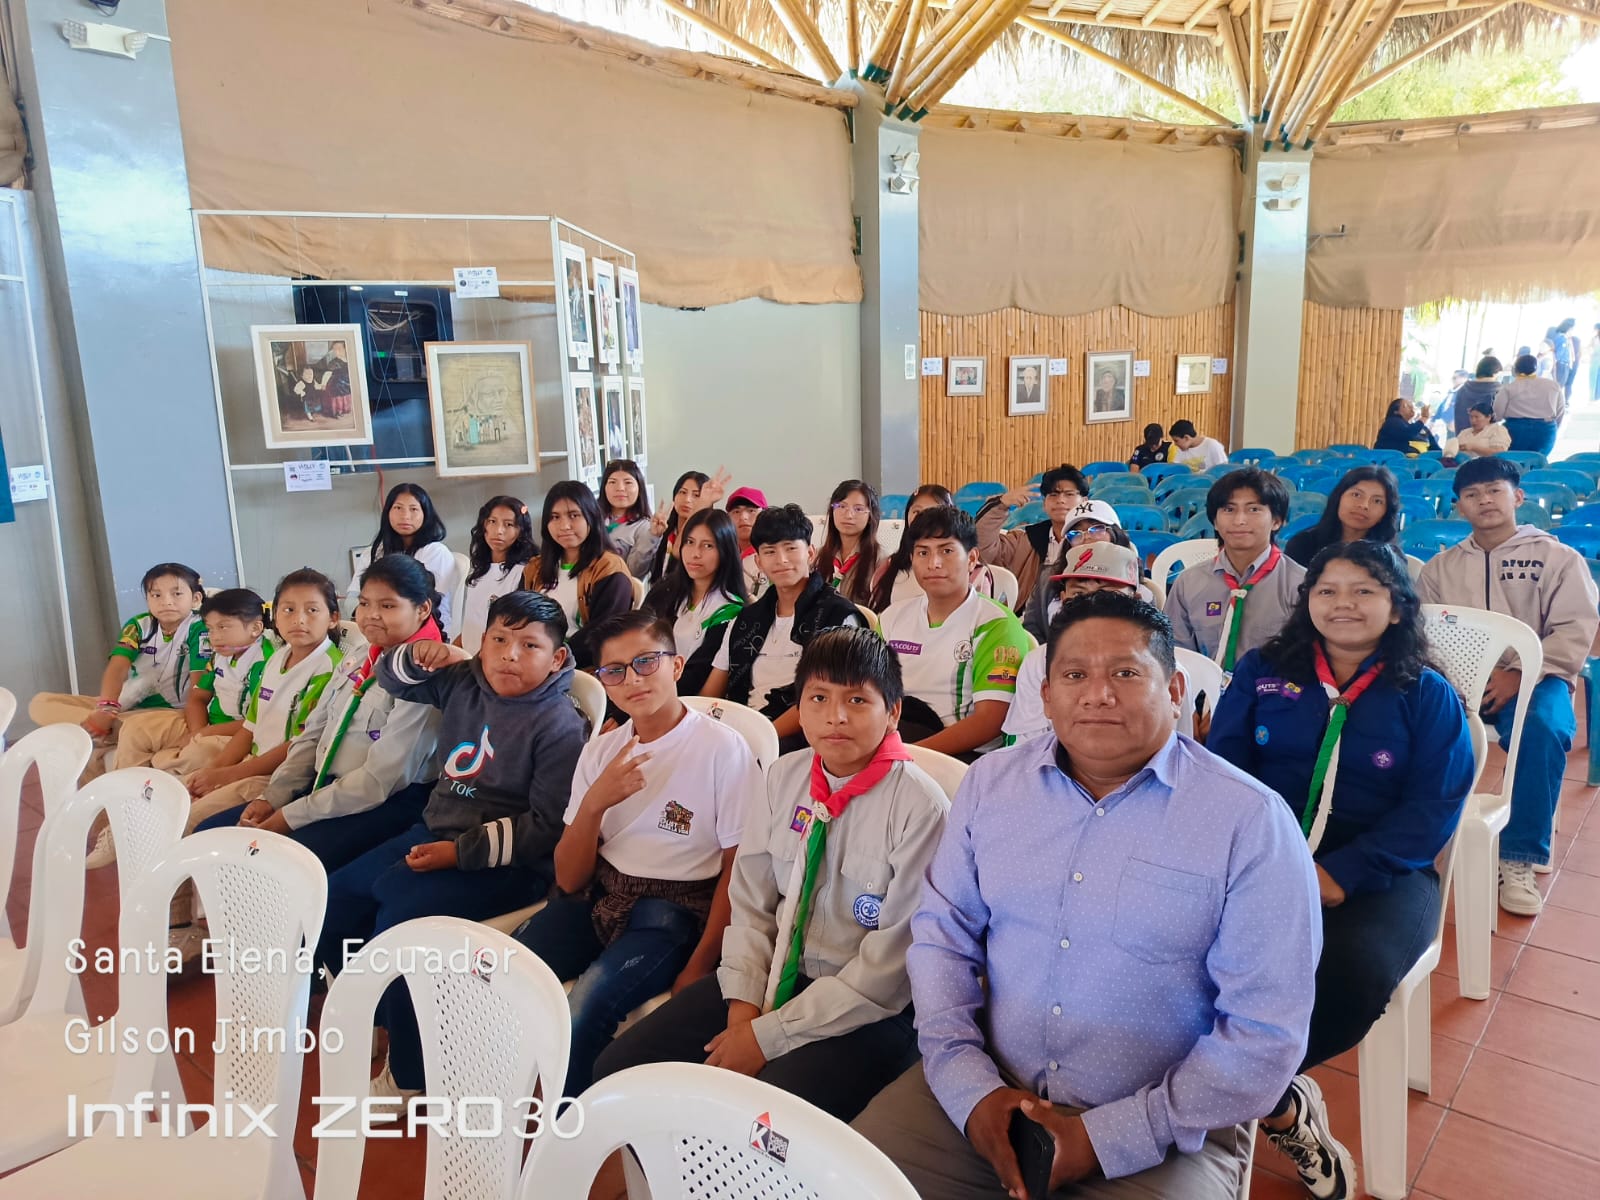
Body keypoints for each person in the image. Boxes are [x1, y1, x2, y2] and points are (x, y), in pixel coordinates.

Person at [852, 591, 1321, 1200]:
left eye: (1126, 673)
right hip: (989, 1086)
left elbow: (1264, 1030)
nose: (1098, 694)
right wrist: (970, 1086)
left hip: (1165, 1121)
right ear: (1046, 696)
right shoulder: (992, 785)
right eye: (1074, 676)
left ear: (1175, 690)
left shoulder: (1249, 821)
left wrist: (1108, 1138)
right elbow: (943, 938)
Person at [594, 628, 947, 1124]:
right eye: (818, 698)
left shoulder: (921, 809)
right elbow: (752, 903)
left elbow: (885, 974)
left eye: (857, 700)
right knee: (620, 1068)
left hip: (866, 1008)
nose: (836, 716)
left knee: (755, 1122)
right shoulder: (783, 778)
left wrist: (765, 1037)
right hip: (771, 974)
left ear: (892, 712)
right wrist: (744, 1005)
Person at [1210, 542, 1473, 1199]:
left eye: (1364, 591)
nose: (1343, 604)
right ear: (1308, 602)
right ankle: (1279, 1102)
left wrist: (1340, 876)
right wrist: (1253, 860)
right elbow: (1224, 770)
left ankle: (1231, 1090)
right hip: (1262, 856)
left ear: (1396, 608)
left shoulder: (1425, 694)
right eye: (1327, 590)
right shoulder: (1264, 671)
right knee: (1176, 942)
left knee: (1351, 972)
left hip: (1382, 872)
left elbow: (1432, 810)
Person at [317, 591, 588, 1098]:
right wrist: (419, 654)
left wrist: (459, 853)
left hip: (506, 864)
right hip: (434, 832)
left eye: (529, 645)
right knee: (334, 898)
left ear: (556, 659)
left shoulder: (560, 724)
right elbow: (391, 679)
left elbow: (547, 827)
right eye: (498, 640)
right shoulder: (466, 679)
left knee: (401, 926)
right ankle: (376, 1016)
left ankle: (411, 1074)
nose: (509, 655)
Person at [512, 610, 760, 1094]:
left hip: (672, 911)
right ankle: (496, 1096)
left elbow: (739, 869)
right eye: (615, 671)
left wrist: (701, 963)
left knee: (584, 1009)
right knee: (506, 971)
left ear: (677, 665)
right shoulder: (601, 751)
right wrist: (595, 803)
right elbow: (568, 878)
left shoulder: (722, 749)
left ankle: (569, 1123)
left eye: (646, 662)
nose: (633, 680)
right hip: (599, 897)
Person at [1417, 457, 1599, 915]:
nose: (1484, 501)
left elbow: (1575, 627)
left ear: (1517, 497)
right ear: (1459, 506)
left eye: (1494, 490)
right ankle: (1416, 840)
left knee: (1543, 728)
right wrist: (1458, 677)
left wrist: (1519, 673)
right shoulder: (1440, 568)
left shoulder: (1557, 558)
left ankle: (1517, 856)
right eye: (1472, 495)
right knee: (1405, 719)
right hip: (1460, 679)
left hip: (1539, 677)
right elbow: (1426, 632)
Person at [194, 554, 445, 872]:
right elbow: (314, 733)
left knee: (271, 865)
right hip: (326, 783)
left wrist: (290, 816)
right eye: (364, 604)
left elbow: (378, 782)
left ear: (422, 609)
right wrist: (273, 797)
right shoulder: (360, 656)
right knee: (210, 834)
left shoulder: (424, 673)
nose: (371, 615)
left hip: (384, 801)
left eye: (388, 605)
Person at [1004, 542, 1216, 746]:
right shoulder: (1038, 663)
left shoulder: (1163, 669)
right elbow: (1030, 745)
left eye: (1107, 594)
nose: (1091, 605)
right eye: (1078, 594)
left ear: (1136, 599)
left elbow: (1172, 749)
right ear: (1063, 599)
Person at [703, 504, 863, 752]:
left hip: (806, 738)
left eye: (790, 548)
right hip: (743, 730)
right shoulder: (746, 619)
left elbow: (827, 698)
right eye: (770, 551)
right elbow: (712, 691)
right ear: (758, 561)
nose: (781, 560)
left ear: (810, 553)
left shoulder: (839, 617)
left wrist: (760, 739)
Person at [29, 562, 208, 779]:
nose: (166, 601)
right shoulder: (139, 625)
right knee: (40, 703)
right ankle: (102, 726)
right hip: (128, 703)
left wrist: (197, 731)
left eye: (176, 594)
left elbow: (199, 688)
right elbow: (117, 666)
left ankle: (99, 730)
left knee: (98, 739)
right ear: (147, 599)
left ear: (196, 599)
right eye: (156, 595)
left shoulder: (200, 628)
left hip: (169, 712)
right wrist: (106, 709)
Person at [878, 507, 1031, 757]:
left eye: (946, 551)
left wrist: (906, 755)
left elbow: (990, 721)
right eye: (923, 552)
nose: (934, 563)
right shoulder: (891, 618)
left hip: (962, 757)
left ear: (971, 559)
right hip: (896, 739)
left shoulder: (995, 624)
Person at [111, 587, 272, 777]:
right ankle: (126, 788)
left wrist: (203, 736)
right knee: (136, 729)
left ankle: (155, 780)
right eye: (210, 629)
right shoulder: (220, 655)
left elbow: (259, 721)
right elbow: (197, 698)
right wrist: (197, 732)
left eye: (223, 627)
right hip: (207, 725)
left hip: (239, 734)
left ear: (255, 628)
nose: (214, 637)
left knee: (190, 756)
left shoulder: (266, 662)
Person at [1164, 468, 1304, 672]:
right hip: (1204, 690)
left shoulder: (1300, 584)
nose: (1239, 520)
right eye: (1229, 510)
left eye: (1253, 509)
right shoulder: (1188, 582)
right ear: (1215, 521)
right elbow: (1175, 654)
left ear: (1277, 521)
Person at [522, 481, 633, 669]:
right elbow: (519, 616)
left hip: (584, 668)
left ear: (591, 517)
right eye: (555, 517)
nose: (564, 526)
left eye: (574, 515)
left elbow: (604, 632)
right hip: (537, 662)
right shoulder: (535, 567)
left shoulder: (609, 568)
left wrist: (553, 659)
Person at [641, 508, 747, 695]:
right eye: (689, 542)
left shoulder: (728, 610)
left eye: (708, 546)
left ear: (725, 551)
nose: (695, 553)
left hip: (679, 697)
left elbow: (695, 676)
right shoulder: (668, 592)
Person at [975, 463, 1093, 610]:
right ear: (1044, 503)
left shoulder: (1094, 539)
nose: (1060, 500)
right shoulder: (1026, 539)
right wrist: (1001, 504)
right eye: (1053, 494)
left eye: (1069, 494)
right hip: (1027, 617)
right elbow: (982, 548)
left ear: (1084, 501)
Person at [869, 485, 1003, 612]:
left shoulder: (976, 574)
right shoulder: (890, 567)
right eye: (917, 512)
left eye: (947, 551)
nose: (925, 518)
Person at [1020, 498, 1138, 642]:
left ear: (1116, 534)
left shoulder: (1132, 582)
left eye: (1096, 529)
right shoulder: (1047, 578)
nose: (1086, 537)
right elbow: (1032, 629)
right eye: (1075, 534)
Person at [348, 483, 458, 630]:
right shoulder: (373, 553)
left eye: (414, 509)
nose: (405, 516)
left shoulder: (436, 552)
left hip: (426, 631)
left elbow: (428, 601)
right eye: (398, 508)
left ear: (426, 514)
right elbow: (351, 601)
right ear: (387, 512)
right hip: (378, 630)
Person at [457, 495, 535, 655]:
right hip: (468, 657)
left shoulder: (524, 572)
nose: (499, 531)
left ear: (521, 531)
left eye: (509, 524)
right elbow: (472, 624)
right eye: (492, 521)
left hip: (497, 658)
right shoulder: (479, 570)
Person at [1283, 466, 1401, 566]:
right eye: (1356, 495)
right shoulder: (1303, 544)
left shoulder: (1390, 557)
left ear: (1386, 512)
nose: (1364, 505)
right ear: (1338, 498)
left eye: (1377, 501)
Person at [628, 468, 730, 582]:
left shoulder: (711, 535)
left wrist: (702, 506)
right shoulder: (664, 531)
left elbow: (678, 551)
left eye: (696, 495)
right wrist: (653, 536)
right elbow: (634, 572)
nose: (687, 499)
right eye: (682, 492)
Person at [818, 479, 885, 607]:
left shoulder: (881, 560)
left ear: (870, 516)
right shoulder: (818, 557)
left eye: (858, 509)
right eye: (842, 506)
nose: (849, 515)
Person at [1493, 353, 1566, 455]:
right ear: (1536, 369)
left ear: (1515, 370)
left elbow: (1497, 414)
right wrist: (1552, 429)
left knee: (1513, 460)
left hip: (1516, 430)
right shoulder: (1553, 385)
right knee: (1538, 460)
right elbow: (1560, 412)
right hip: (1545, 430)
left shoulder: (1508, 388)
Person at [599, 459, 653, 562]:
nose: (620, 488)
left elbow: (635, 569)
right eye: (612, 482)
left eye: (628, 482)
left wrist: (652, 536)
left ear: (639, 488)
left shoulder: (645, 527)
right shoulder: (592, 519)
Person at [725, 485, 769, 601]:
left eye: (751, 511)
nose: (743, 517)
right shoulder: (723, 556)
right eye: (736, 511)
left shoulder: (772, 556)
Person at [1451, 356, 1503, 435]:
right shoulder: (1498, 392)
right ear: (1495, 373)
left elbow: (1458, 418)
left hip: (1463, 439)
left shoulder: (1462, 390)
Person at [1373, 398, 1439, 455]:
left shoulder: (1423, 429)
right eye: (1406, 405)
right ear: (1396, 412)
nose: (1411, 407)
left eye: (1411, 405)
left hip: (1419, 463)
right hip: (1392, 462)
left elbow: (1435, 449)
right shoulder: (1392, 422)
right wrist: (1424, 418)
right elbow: (1408, 433)